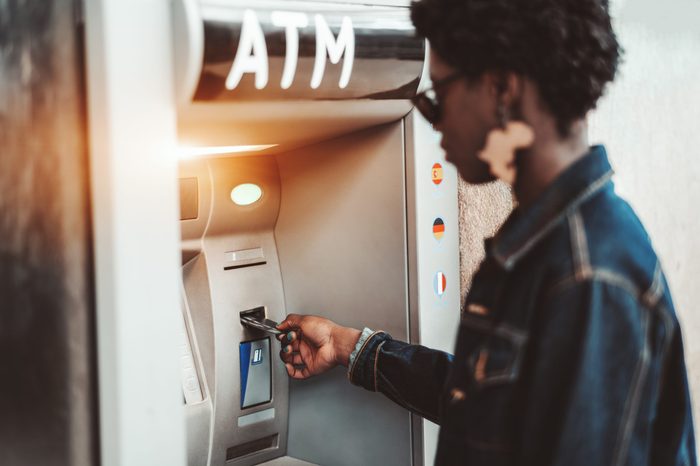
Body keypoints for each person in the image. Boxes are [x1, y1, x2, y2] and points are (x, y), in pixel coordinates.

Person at [276, 0, 697, 464]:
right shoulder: (547, 244)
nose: (435, 123)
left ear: (501, 89)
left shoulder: (587, 273)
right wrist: (346, 345)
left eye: (439, 95)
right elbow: (485, 408)